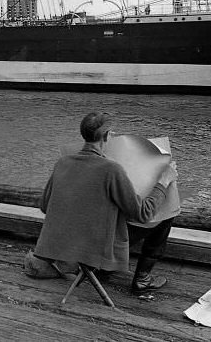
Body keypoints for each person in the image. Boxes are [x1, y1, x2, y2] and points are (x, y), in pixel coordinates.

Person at [29, 112, 178, 292]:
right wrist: (164, 181)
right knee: (166, 216)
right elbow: (143, 214)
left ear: (82, 134)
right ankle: (142, 279)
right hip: (94, 249)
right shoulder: (111, 169)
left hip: (64, 246)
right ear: (108, 136)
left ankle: (101, 270)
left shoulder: (63, 162)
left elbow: (45, 206)